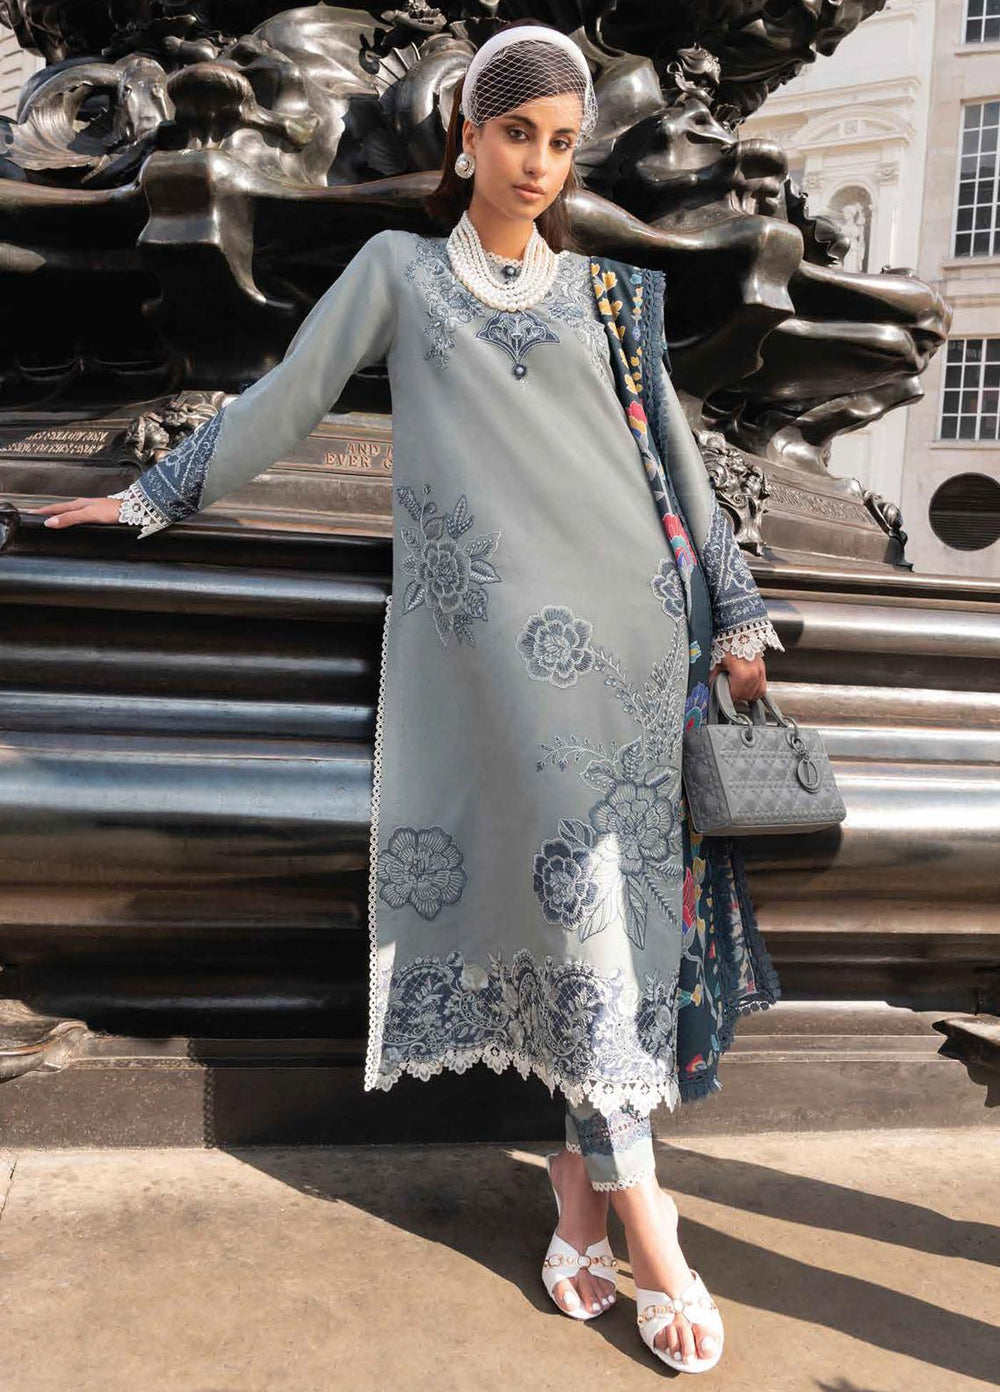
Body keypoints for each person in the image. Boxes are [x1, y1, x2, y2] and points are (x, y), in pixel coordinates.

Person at [27, 21, 784, 1375]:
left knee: (608, 936)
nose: (539, 163)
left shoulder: (611, 296)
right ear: (465, 135)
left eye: (563, 143)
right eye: (516, 134)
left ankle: (582, 1193)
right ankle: (653, 1225)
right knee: (584, 928)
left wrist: (735, 617)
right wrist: (148, 498)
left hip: (632, 646)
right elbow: (289, 399)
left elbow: (677, 466)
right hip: (493, 657)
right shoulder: (398, 269)